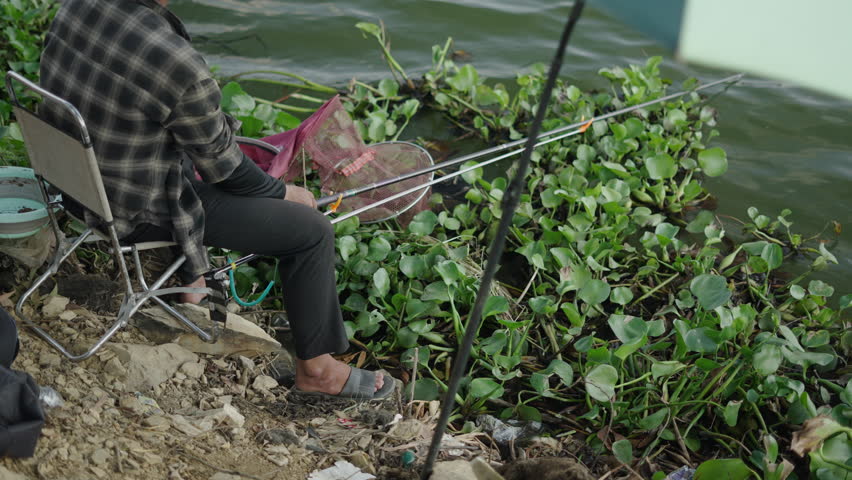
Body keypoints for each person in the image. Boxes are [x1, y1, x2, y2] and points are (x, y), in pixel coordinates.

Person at [37, 0, 392, 400]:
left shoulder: (77, 5)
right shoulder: (177, 63)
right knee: (311, 231)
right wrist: (286, 193)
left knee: (181, 144)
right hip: (130, 209)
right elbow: (226, 168)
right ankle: (318, 371)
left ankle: (190, 278)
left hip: (70, 186)